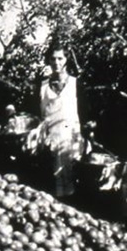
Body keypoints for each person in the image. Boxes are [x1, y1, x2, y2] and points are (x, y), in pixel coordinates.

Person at [35, 41, 85, 198]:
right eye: (53, 59)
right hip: (49, 139)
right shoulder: (42, 85)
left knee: (73, 179)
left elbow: (84, 113)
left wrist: (86, 136)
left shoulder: (76, 84)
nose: (56, 63)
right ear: (48, 61)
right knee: (51, 181)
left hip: (71, 138)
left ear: (66, 60)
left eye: (60, 59)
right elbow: (37, 114)